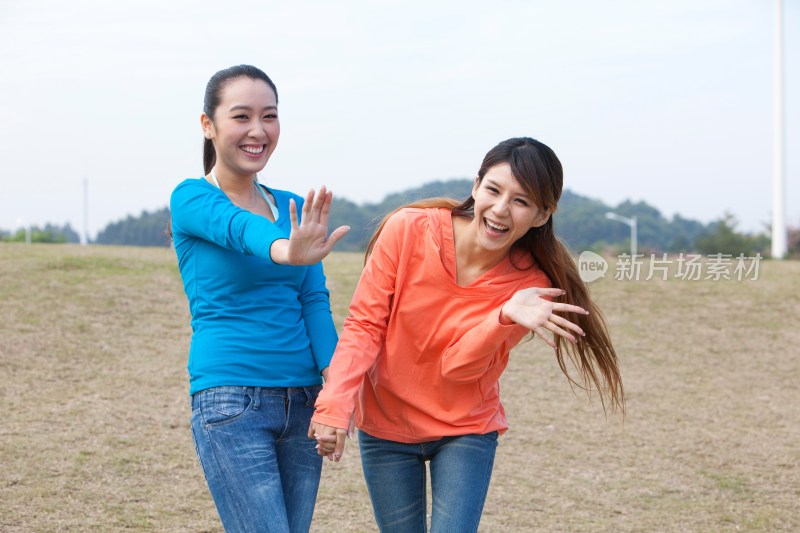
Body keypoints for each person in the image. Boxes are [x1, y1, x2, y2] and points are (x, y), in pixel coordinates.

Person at [309, 137, 625, 532]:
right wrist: (334, 406)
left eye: (521, 201)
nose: (500, 209)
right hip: (386, 425)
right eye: (493, 190)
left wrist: (504, 317)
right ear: (476, 185)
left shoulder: (530, 287)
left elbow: (458, 368)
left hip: (465, 429)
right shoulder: (408, 228)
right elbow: (365, 325)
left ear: (542, 215)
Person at [169, 64, 349, 533]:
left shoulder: (289, 203)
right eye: (241, 116)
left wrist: (336, 392)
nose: (258, 130)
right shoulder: (191, 198)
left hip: (305, 402)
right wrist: (286, 249)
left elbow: (314, 301)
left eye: (269, 116)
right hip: (231, 402)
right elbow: (237, 228)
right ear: (208, 125)